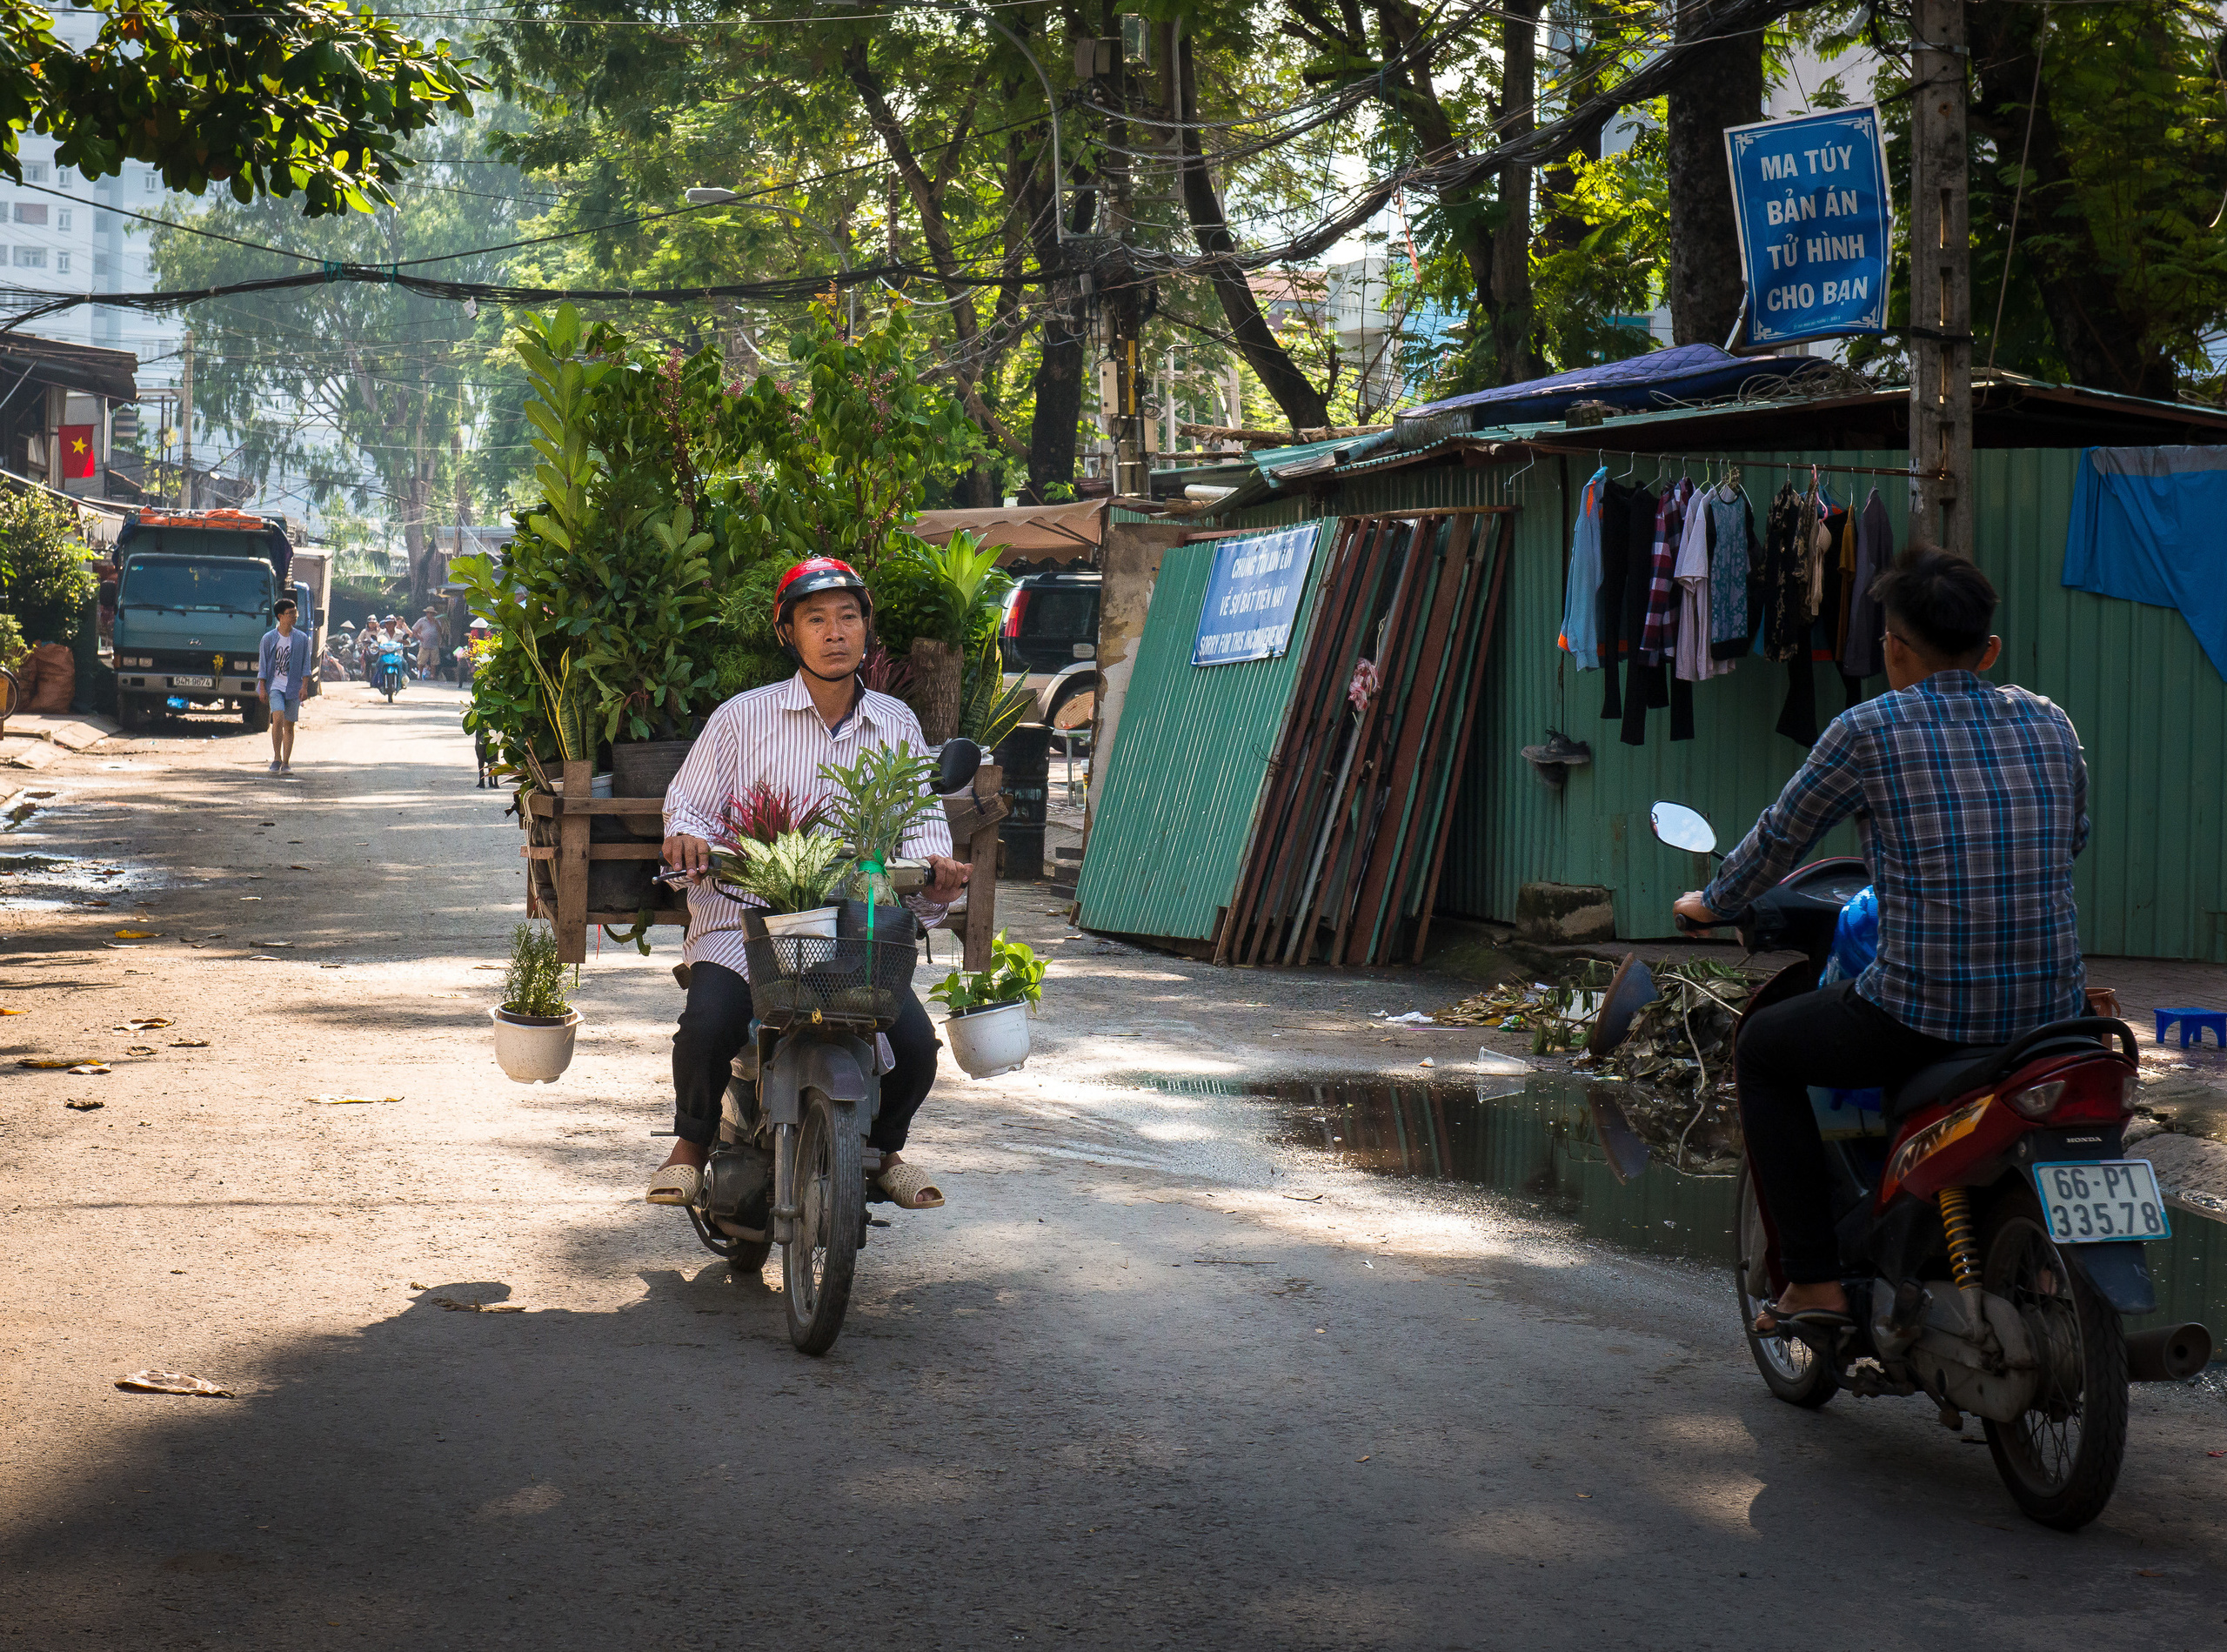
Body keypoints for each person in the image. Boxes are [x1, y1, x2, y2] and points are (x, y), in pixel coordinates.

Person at [1675, 549, 2090, 1334]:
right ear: (1989, 650)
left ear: (1892, 649)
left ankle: (1815, 1283)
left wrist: (1710, 901)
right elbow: (2073, 836)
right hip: (2051, 1020)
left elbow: (1778, 841)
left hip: (1919, 1015)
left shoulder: (1867, 729)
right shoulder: (2050, 720)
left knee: (1763, 1047)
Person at [650, 556, 971, 1213]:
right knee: (707, 1024)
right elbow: (687, 804)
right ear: (789, 634)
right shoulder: (743, 717)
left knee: (914, 1045)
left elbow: (924, 828)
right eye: (816, 619)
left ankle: (884, 1150)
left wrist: (938, 875)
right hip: (748, 924)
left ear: (865, 630)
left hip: (856, 930)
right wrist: (685, 837)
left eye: (847, 617)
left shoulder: (897, 723)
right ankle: (688, 1147)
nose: (834, 632)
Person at [257, 596, 313, 773]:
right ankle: (276, 758)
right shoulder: (268, 639)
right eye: (290, 613)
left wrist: (304, 687)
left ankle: (286, 762)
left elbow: (306, 665)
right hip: (275, 686)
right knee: (278, 718)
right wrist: (263, 688)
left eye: (295, 612)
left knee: (289, 725)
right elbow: (263, 665)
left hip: (293, 688)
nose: (295, 616)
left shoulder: (301, 639)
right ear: (280, 616)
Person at [413, 605, 444, 679]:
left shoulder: (437, 621)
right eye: (429, 613)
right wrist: (419, 637)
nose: (430, 614)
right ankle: (420, 675)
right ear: (427, 613)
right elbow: (414, 629)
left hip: (434, 644)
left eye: (432, 613)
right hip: (424, 644)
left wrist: (436, 623)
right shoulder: (422, 620)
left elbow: (440, 631)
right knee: (421, 660)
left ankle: (432, 675)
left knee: (434, 661)